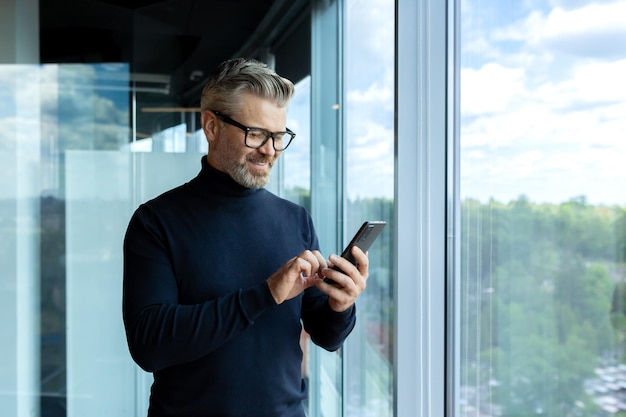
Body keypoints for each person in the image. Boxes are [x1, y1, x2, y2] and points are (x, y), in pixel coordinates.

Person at [122, 58, 369, 417]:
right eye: (256, 134)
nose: (270, 149)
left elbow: (327, 337)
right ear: (211, 126)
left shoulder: (295, 218)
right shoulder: (155, 222)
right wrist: (264, 294)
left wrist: (341, 304)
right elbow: (149, 346)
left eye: (278, 136)